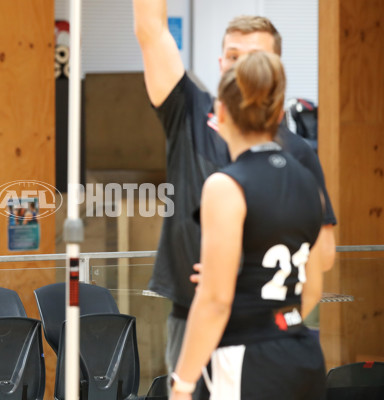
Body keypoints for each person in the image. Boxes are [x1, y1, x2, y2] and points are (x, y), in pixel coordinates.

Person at [132, 1, 337, 378]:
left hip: (260, 329)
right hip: (191, 317)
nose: (242, 66)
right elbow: (151, 30)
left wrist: (231, 280)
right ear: (219, 63)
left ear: (277, 68)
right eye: (232, 55)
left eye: (255, 57)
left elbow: (321, 257)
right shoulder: (191, 112)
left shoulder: (299, 155)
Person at [170, 51, 327, 400]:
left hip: (246, 356)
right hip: (302, 352)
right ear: (277, 113)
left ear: (220, 113)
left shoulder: (225, 186)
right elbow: (312, 286)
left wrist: (182, 384)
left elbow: (215, 301)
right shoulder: (308, 182)